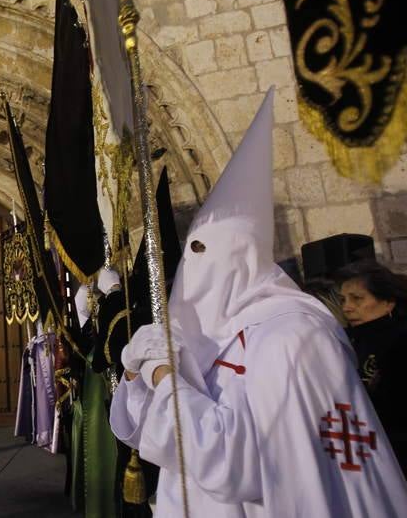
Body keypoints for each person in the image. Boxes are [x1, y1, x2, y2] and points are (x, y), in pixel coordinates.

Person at [110, 90, 407, 516]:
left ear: (238, 261)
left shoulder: (291, 337)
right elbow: (151, 434)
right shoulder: (220, 334)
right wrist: (136, 374)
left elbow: (233, 462)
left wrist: (161, 374)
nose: (192, 275)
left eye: (202, 254)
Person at [338, 260, 407, 475]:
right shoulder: (348, 340)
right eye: (343, 299)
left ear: (388, 302)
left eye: (357, 299)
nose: (346, 307)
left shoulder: (401, 340)